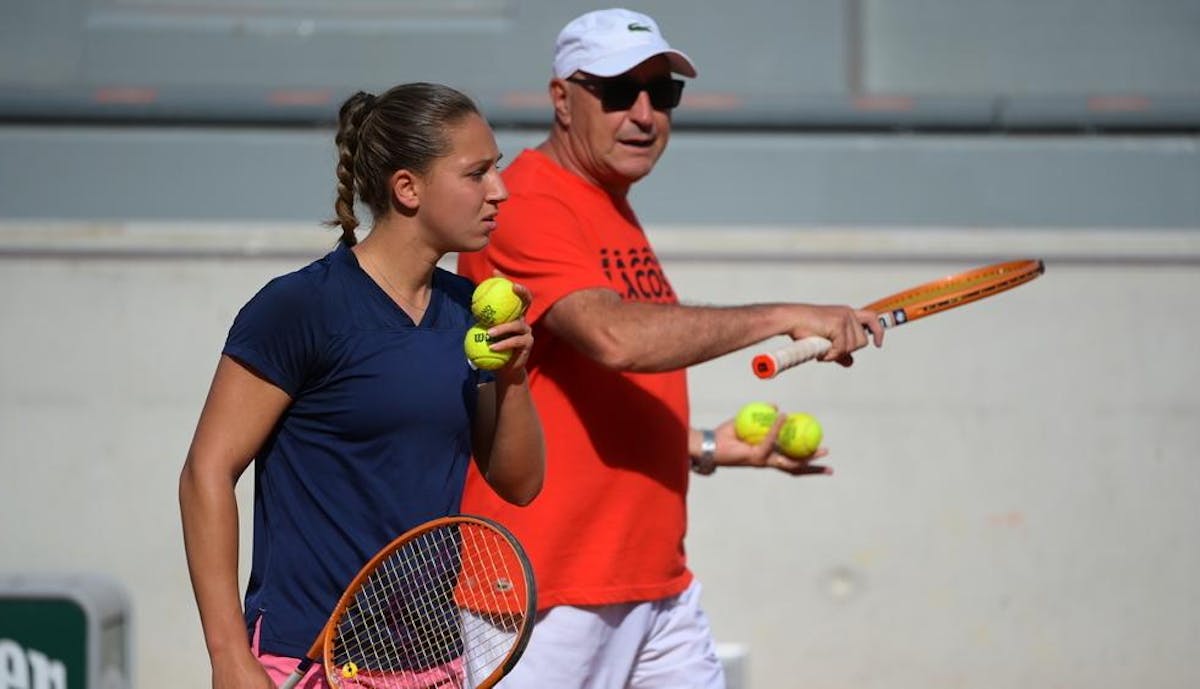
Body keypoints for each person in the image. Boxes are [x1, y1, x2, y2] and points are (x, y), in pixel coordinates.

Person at [455, 8, 884, 689]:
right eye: (620, 93)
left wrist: (706, 445)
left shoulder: (609, 202)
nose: (646, 114)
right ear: (562, 99)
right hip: (547, 591)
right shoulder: (529, 202)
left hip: (654, 582)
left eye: (664, 93)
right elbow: (614, 337)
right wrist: (781, 313)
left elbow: (576, 392)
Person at [179, 82, 546, 689]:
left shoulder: (468, 314)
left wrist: (513, 374)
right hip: (304, 658)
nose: (499, 191)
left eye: (497, 170)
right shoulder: (300, 308)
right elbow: (206, 473)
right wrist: (228, 655)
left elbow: (521, 482)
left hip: (434, 664)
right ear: (408, 188)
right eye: (476, 173)